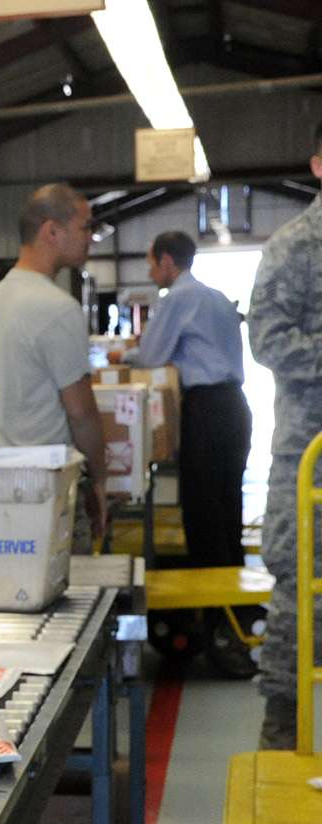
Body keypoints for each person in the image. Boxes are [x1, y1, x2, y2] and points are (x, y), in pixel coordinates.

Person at [247, 121, 322, 750]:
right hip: (309, 455)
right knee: (300, 583)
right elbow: (268, 340)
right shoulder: (294, 247)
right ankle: (284, 727)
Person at [0, 183, 108, 550]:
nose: (90, 238)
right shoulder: (57, 307)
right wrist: (99, 480)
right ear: (52, 231)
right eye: (85, 228)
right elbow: (81, 412)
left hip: (5, 477)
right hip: (51, 483)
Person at [111, 232, 251, 568]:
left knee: (202, 508)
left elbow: (150, 356)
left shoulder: (177, 298)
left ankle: (211, 603)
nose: (150, 272)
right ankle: (233, 598)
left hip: (205, 410)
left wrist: (122, 355)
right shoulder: (216, 296)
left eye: (151, 264)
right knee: (228, 502)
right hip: (235, 406)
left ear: (167, 261)